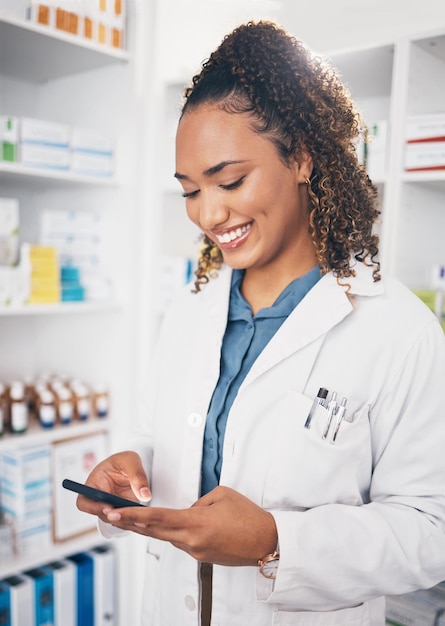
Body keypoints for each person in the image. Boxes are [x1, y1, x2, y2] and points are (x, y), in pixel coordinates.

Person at [76, 20, 445, 626]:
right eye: (190, 190)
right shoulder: (190, 311)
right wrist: (127, 467)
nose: (209, 213)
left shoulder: (399, 330)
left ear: (301, 157)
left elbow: (430, 532)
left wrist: (276, 540)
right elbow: (161, 435)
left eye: (230, 180)